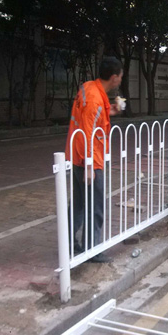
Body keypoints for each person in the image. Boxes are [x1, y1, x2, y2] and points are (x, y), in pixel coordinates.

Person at [65, 57, 123, 263]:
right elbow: (88, 132)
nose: (120, 80)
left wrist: (111, 111)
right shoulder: (95, 99)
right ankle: (93, 248)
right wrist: (89, 165)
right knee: (95, 205)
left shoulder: (90, 88)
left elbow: (90, 120)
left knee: (79, 204)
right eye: (120, 77)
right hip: (89, 159)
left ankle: (69, 244)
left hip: (78, 156)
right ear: (114, 78)